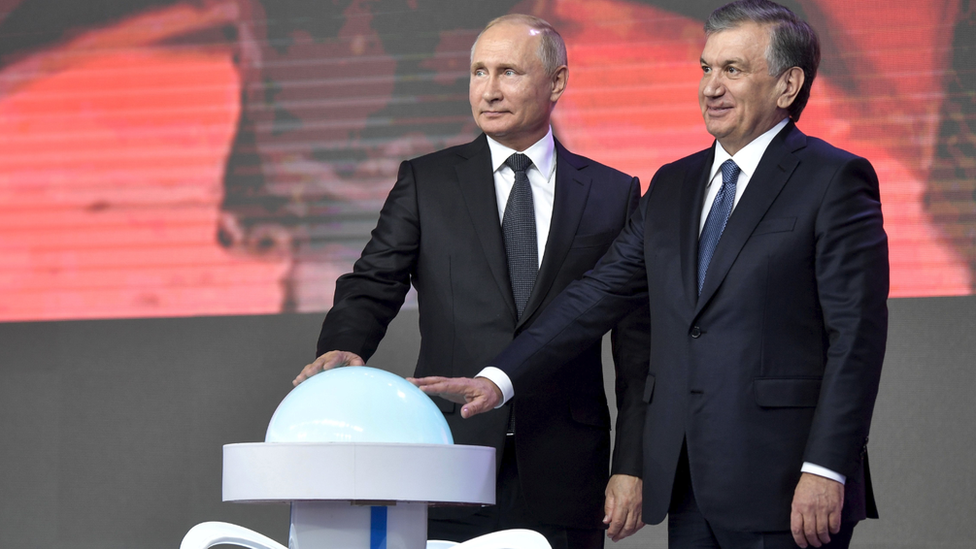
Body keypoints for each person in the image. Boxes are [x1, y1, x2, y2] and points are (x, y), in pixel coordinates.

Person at [412, 2, 889, 548]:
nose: (711, 87)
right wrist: (497, 380)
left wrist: (827, 467)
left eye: (732, 70)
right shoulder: (673, 184)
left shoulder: (834, 179)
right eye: (706, 68)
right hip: (688, 485)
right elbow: (594, 295)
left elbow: (856, 338)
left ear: (788, 85)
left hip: (788, 485)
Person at [292, 13, 650, 549]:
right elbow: (373, 281)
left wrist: (633, 465)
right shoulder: (426, 181)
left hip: (565, 467)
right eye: (478, 72)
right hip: (445, 456)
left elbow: (639, 352)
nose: (489, 90)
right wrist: (344, 345)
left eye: (507, 72)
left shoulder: (612, 193)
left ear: (557, 82)